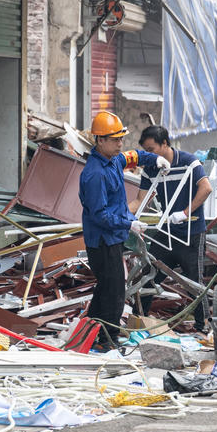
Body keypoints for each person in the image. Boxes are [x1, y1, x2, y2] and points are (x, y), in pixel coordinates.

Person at [79, 111, 169, 349]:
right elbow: (99, 215)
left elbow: (134, 156)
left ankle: (91, 331)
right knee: (115, 291)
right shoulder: (95, 174)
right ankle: (108, 340)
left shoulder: (113, 160)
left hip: (111, 237)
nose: (121, 143)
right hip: (101, 240)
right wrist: (128, 224)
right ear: (100, 140)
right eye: (115, 139)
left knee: (106, 287)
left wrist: (153, 159)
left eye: (121, 138)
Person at [131, 125, 213, 332]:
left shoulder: (188, 161)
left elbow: (206, 188)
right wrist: (125, 217)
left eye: (152, 149)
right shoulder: (151, 167)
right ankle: (138, 321)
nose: (149, 155)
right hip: (166, 231)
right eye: (146, 151)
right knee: (149, 273)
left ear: (165, 144)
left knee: (194, 281)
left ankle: (202, 326)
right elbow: (141, 199)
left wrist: (185, 213)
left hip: (191, 232)